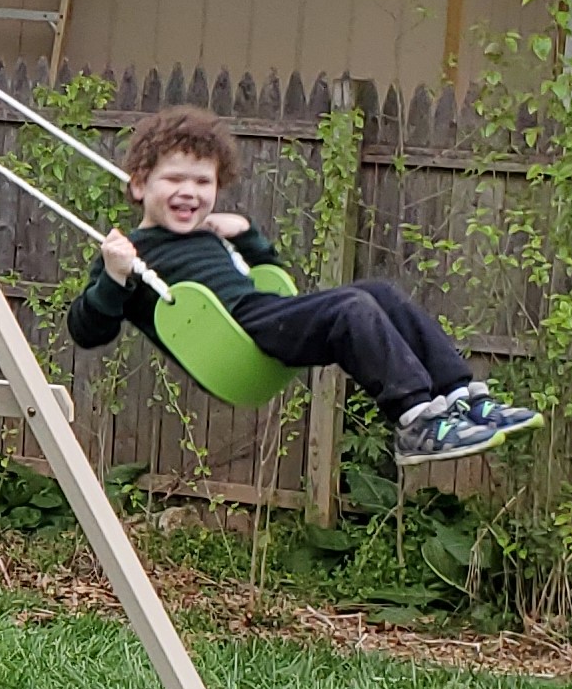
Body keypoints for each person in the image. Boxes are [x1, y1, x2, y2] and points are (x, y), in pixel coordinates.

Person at [66, 104, 541, 465]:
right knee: (352, 308)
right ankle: (416, 420)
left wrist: (247, 236)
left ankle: (460, 398)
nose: (189, 192)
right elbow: (88, 329)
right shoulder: (129, 253)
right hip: (234, 335)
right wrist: (114, 274)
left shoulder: (210, 235)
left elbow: (267, 272)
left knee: (379, 292)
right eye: (173, 179)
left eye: (203, 182)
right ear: (138, 186)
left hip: (261, 313)